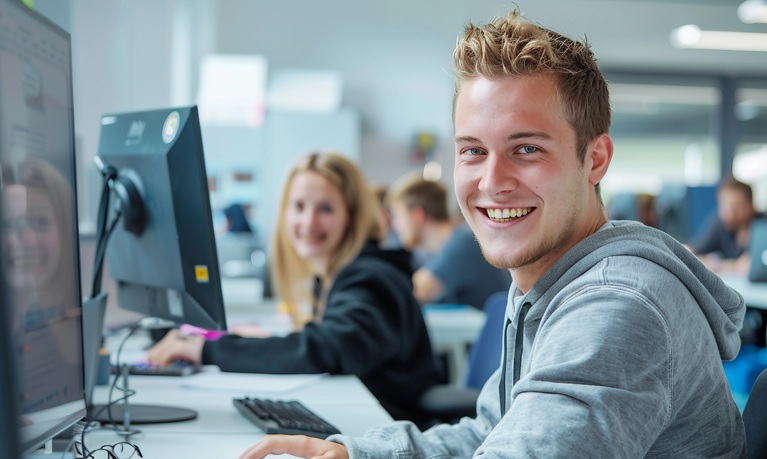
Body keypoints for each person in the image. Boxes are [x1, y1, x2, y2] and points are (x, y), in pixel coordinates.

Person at [240, 10, 746, 458]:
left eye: (526, 149)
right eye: (473, 150)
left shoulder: (618, 304)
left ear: (595, 159)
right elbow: (491, 432)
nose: (491, 182)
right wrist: (355, 453)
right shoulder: (547, 280)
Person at [147, 152, 441, 426]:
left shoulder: (372, 279)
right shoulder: (334, 278)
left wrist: (208, 350)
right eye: (299, 206)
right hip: (359, 421)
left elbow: (328, 349)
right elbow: (331, 342)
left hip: (389, 432)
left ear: (352, 215)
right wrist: (269, 342)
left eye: (325, 208)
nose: (308, 222)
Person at [386, 174, 510, 309]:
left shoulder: (464, 243)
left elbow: (413, 292)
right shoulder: (446, 246)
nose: (395, 225)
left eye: (398, 216)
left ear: (417, 215)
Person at [688, 175, 760, 275]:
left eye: (736, 207)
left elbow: (750, 265)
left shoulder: (762, 226)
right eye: (724, 205)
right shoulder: (720, 223)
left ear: (750, 205)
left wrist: (718, 264)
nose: (729, 213)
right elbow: (691, 251)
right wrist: (732, 266)